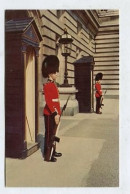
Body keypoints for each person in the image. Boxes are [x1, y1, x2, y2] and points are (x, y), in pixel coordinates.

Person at [42, 55, 62, 162]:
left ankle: (53, 151)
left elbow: (56, 100)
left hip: (55, 113)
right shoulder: (47, 85)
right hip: (50, 114)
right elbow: (49, 102)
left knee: (54, 133)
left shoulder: (53, 84)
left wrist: (58, 112)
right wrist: (55, 114)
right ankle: (47, 155)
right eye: (55, 72)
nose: (56, 74)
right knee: (49, 134)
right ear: (50, 73)